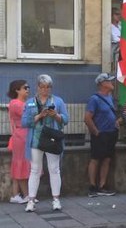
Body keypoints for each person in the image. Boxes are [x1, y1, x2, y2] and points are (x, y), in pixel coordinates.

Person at [22, 74, 69, 212]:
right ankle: (31, 201)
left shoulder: (58, 101)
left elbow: (66, 120)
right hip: (35, 140)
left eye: (48, 87)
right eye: (42, 87)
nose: (45, 90)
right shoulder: (30, 102)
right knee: (35, 170)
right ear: (37, 87)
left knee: (54, 169)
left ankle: (56, 200)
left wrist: (56, 115)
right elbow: (24, 122)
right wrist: (39, 116)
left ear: (51, 88)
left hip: (51, 140)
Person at [85, 73, 120, 197]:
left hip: (111, 133)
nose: (111, 83)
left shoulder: (110, 97)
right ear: (102, 84)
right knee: (95, 159)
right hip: (101, 134)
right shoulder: (94, 99)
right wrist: (95, 131)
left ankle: (102, 185)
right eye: (109, 81)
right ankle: (92, 186)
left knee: (107, 159)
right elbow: (88, 118)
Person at [7, 80, 31, 204]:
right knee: (21, 163)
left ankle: (16, 194)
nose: (27, 89)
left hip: (23, 135)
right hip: (21, 136)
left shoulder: (22, 103)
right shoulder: (16, 103)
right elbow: (29, 116)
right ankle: (26, 195)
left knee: (19, 163)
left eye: (28, 87)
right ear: (17, 90)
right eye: (24, 87)